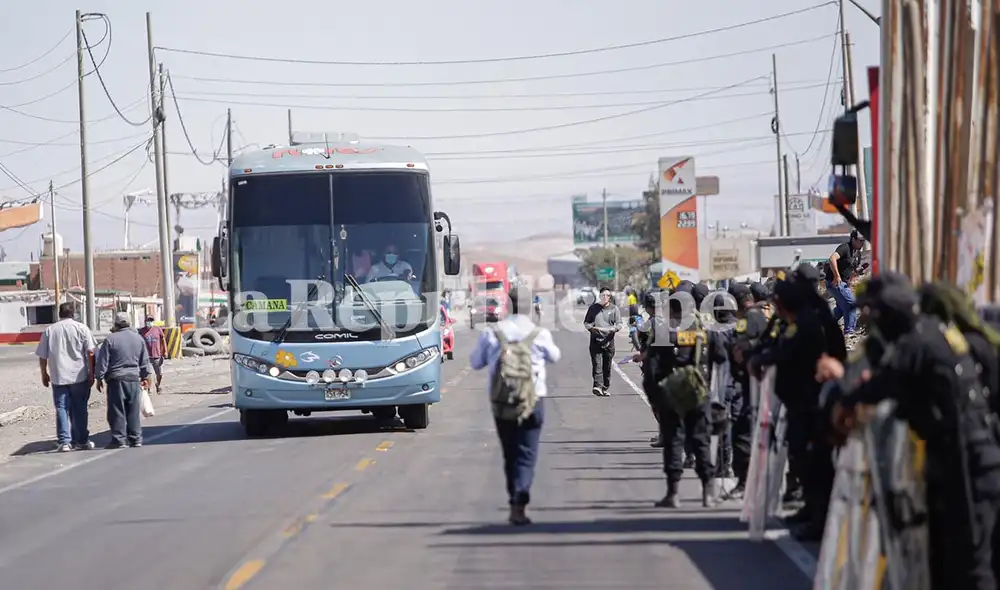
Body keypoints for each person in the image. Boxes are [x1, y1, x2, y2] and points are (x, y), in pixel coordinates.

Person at [829, 280, 1000, 588]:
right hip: (962, 462)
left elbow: (883, 383)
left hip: (968, 465)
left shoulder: (918, 341)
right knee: (951, 560)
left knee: (971, 563)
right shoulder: (935, 336)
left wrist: (847, 401)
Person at [469, 288, 561, 525]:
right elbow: (555, 356)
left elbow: (475, 362)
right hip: (533, 401)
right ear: (531, 306)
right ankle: (520, 503)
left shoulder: (493, 333)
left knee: (510, 454)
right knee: (527, 454)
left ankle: (514, 500)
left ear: (508, 304)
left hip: (502, 403)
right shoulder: (539, 333)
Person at [654, 281, 727, 508]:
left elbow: (652, 367)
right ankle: (707, 493)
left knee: (674, 441)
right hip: (700, 392)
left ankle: (673, 493)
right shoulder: (707, 329)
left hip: (673, 395)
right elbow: (723, 357)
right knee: (701, 441)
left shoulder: (664, 330)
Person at [723, 283, 769, 499]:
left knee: (743, 434)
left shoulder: (747, 321)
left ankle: (745, 482)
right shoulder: (762, 317)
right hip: (760, 383)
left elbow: (740, 350)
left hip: (752, 384)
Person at [34, 303, 97, 452]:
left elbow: (42, 355)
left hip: (58, 376)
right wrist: (91, 372)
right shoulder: (82, 328)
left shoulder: (50, 330)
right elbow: (91, 352)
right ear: (73, 314)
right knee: (80, 408)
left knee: (62, 408)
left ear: (59, 314)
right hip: (79, 376)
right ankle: (81, 440)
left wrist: (44, 373)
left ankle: (65, 442)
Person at [95, 313, 152, 449]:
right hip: (133, 379)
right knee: (133, 410)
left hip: (116, 380)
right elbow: (144, 361)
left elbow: (103, 361)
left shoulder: (110, 339)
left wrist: (99, 378)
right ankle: (135, 439)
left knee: (117, 411)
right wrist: (146, 377)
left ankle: (119, 440)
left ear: (116, 324)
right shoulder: (138, 339)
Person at [824, 229, 866, 335]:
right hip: (835, 282)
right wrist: (836, 276)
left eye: (863, 241)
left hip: (844, 283)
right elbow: (832, 259)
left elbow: (852, 271)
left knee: (841, 308)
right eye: (860, 241)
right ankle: (849, 331)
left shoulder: (857, 254)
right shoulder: (845, 248)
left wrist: (856, 274)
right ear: (853, 239)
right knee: (851, 303)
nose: (862, 243)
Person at [583, 288, 622, 397]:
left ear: (610, 297)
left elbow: (619, 324)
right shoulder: (593, 308)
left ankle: (605, 387)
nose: (605, 297)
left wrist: (615, 329)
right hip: (596, 340)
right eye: (603, 295)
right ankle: (597, 386)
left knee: (607, 366)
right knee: (597, 364)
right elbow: (586, 323)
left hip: (609, 341)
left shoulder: (614, 309)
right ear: (600, 296)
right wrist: (591, 329)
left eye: (607, 295)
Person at [138, 315, 167, 392]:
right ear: (145, 321)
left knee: (159, 374)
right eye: (148, 320)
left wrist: (165, 351)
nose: (149, 322)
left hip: (157, 356)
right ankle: (149, 388)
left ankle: (158, 384)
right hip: (146, 357)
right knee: (148, 374)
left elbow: (163, 339)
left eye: (151, 320)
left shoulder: (157, 329)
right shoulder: (141, 331)